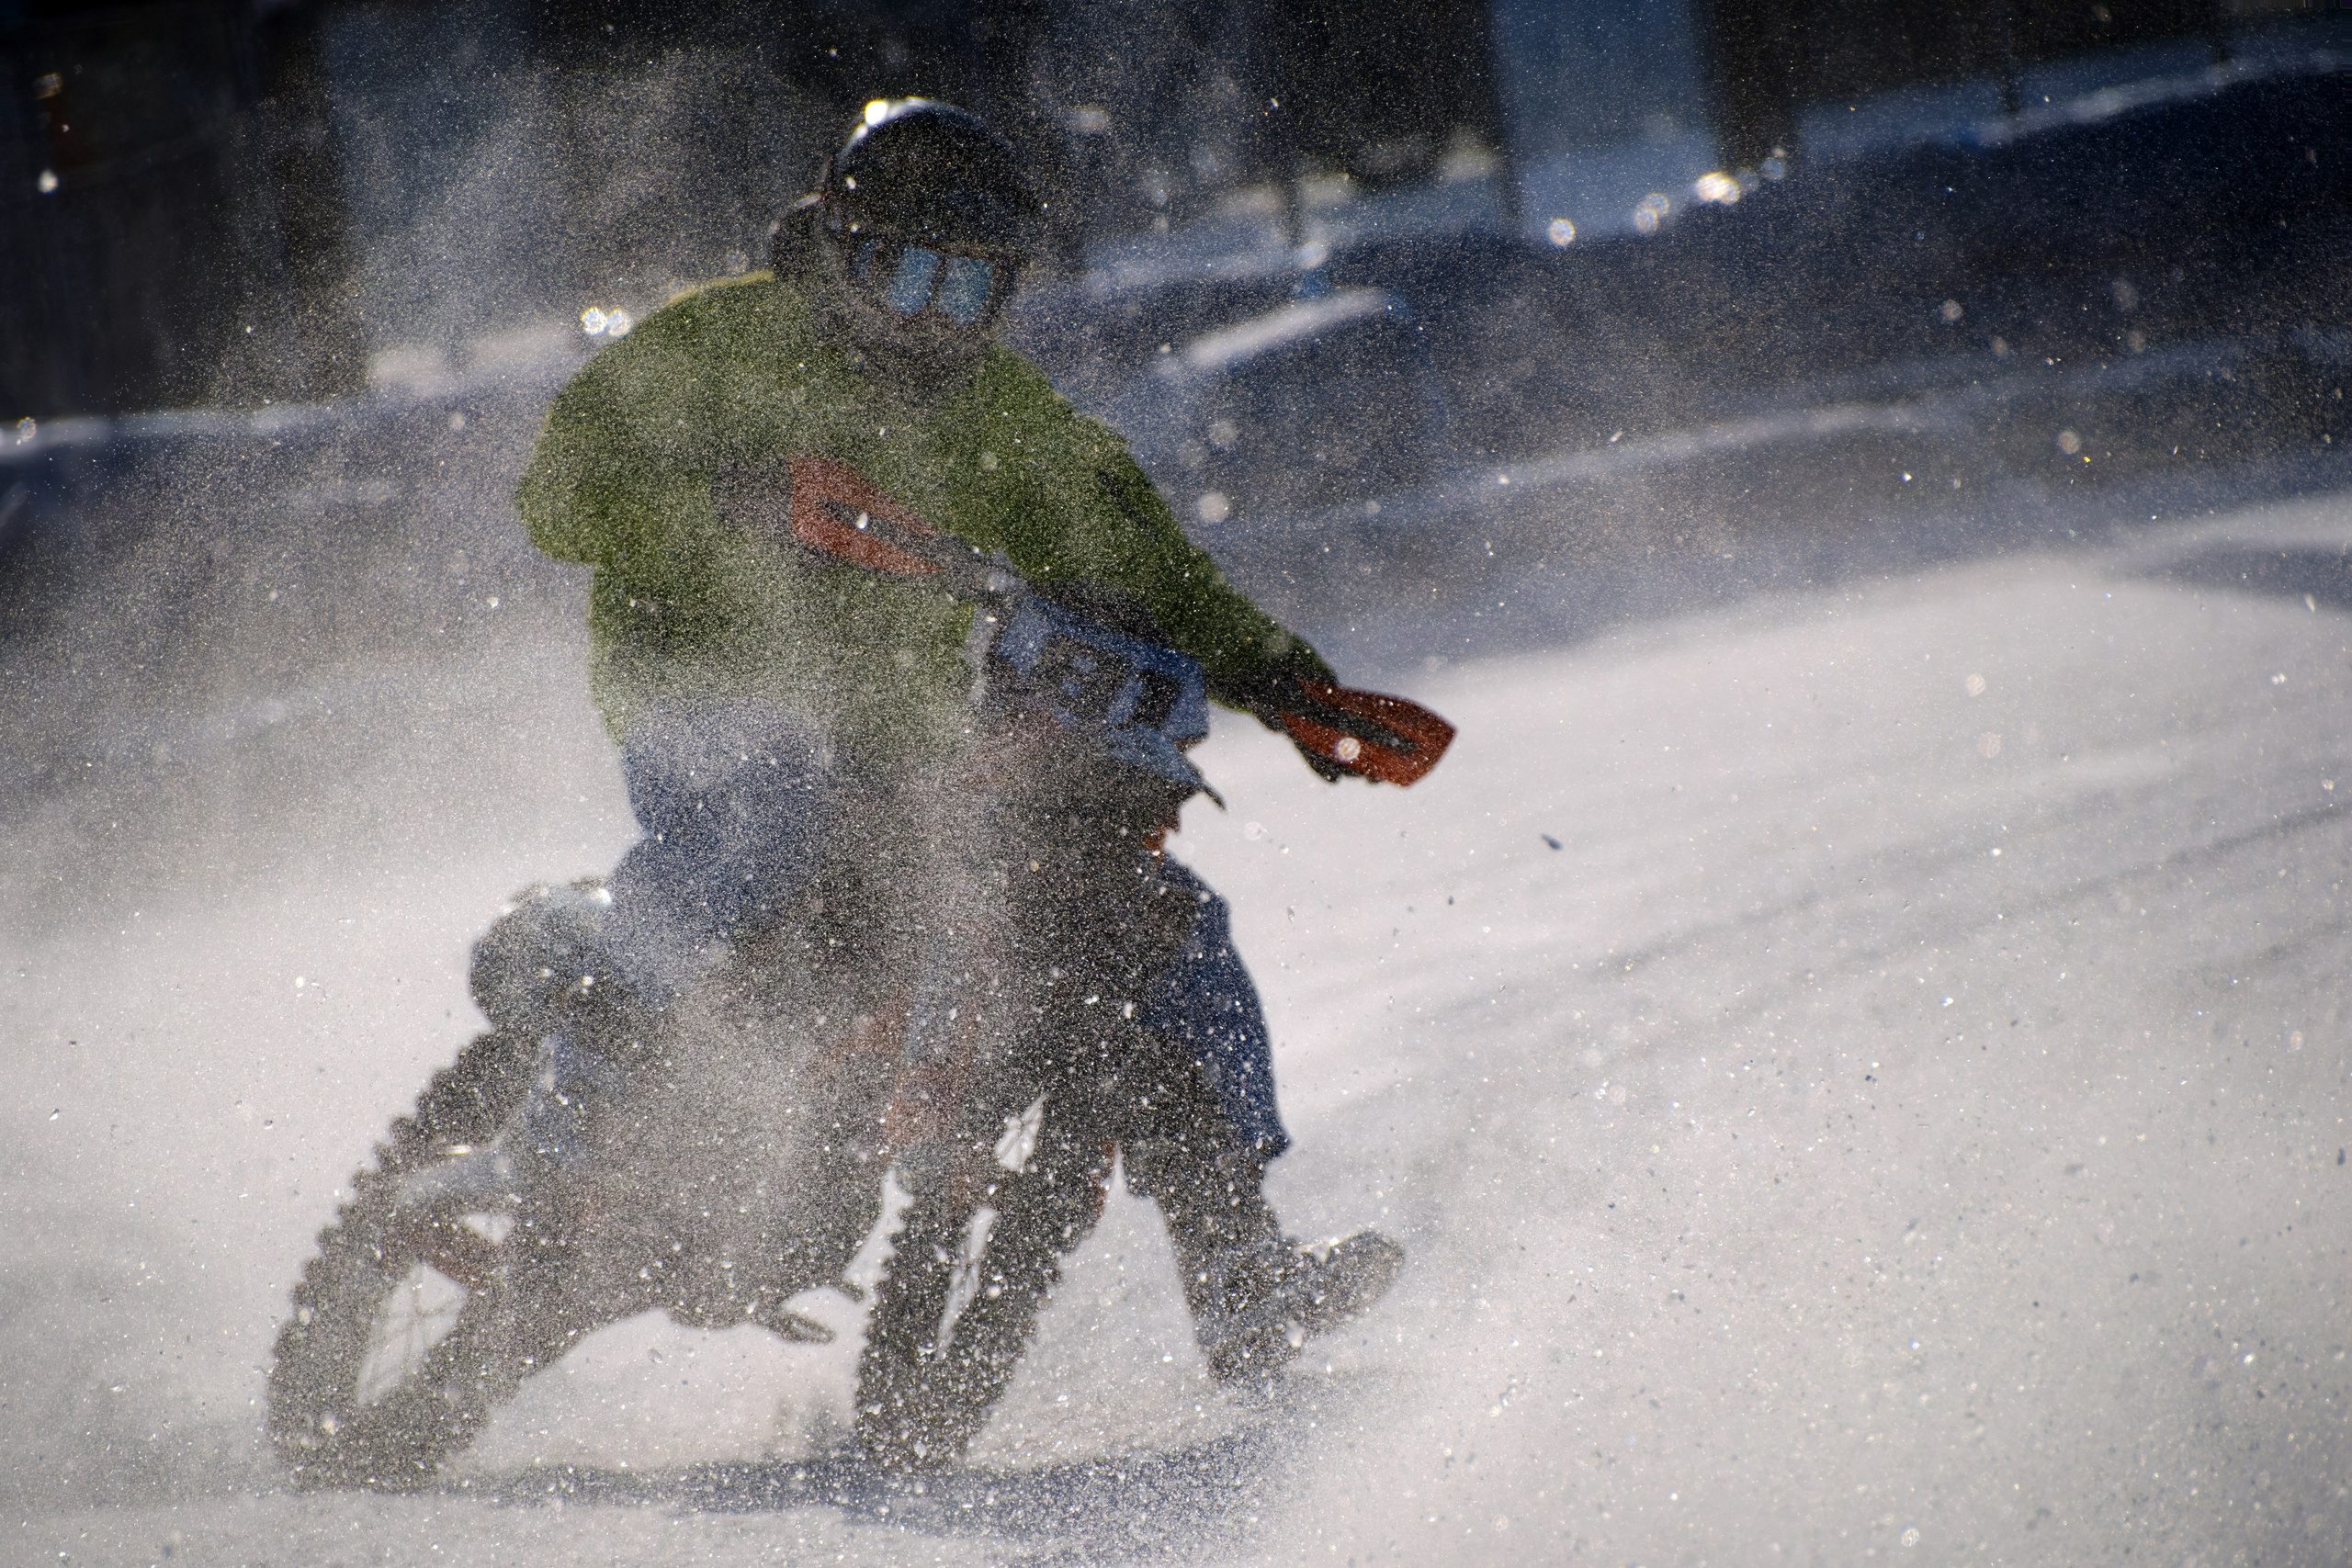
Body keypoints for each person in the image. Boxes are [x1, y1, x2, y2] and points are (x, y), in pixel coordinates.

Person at [432, 98, 1402, 1401]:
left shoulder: (1008, 419)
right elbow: (560, 496)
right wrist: (723, 498)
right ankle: (568, 1125)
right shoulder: (717, 345)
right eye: (906, 275)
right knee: (768, 813)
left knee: (1158, 921)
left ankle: (1238, 1265)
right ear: (841, 245)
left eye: (968, 288)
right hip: (707, 693)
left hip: (902, 736)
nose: (933, 319)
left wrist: (1286, 683)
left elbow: (1152, 573)